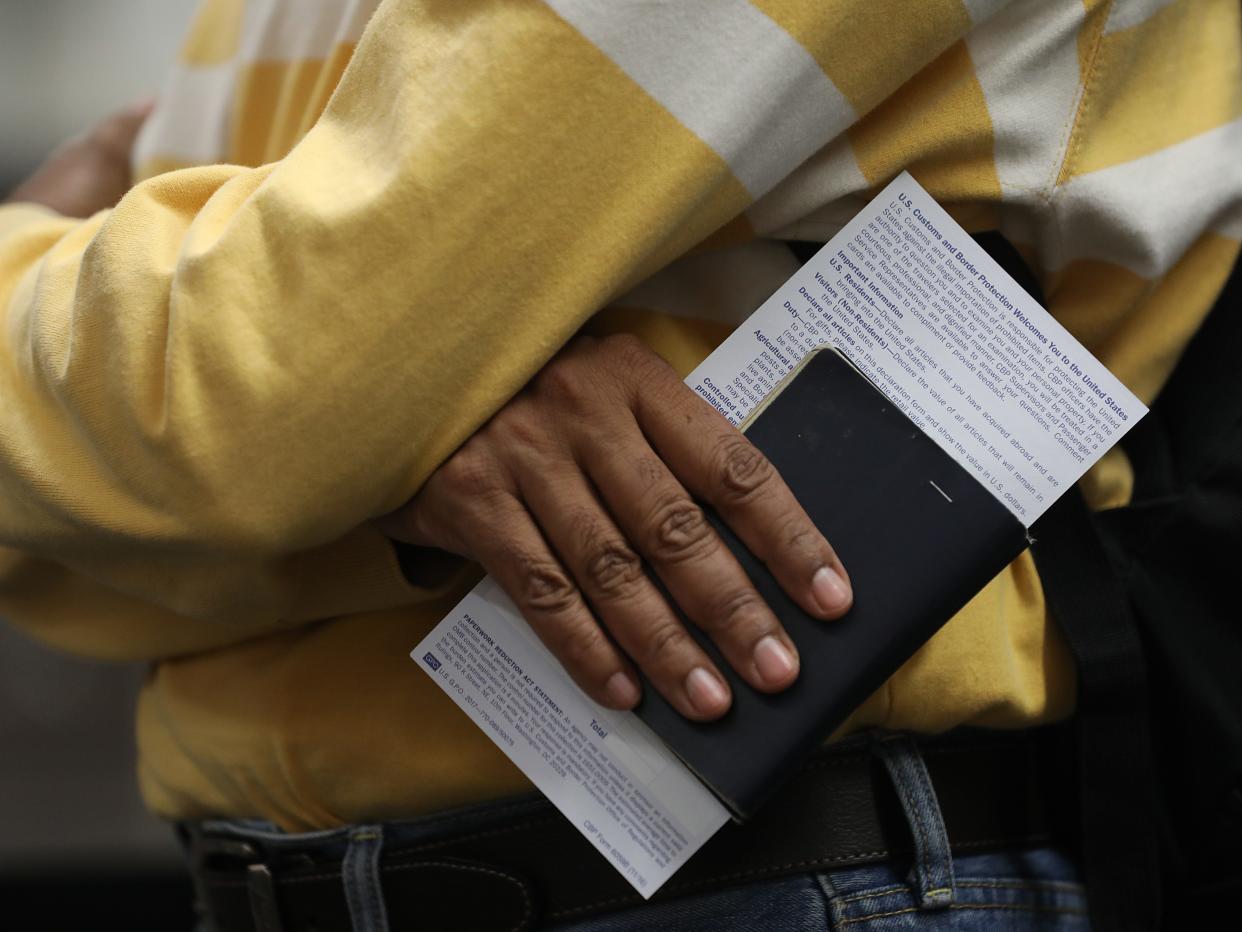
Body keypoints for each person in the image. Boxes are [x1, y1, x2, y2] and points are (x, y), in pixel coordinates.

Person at [1, 0, 1238, 929]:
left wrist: (42, 281)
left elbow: (256, 397)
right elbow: (185, 461)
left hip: (780, 878)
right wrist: (370, 444)